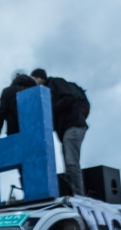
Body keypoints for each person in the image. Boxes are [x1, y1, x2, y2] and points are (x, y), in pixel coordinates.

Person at [31, 68, 89, 196]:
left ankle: (80, 197)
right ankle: (76, 195)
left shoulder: (56, 82)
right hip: (65, 130)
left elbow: (70, 97)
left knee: (72, 164)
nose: (34, 81)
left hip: (73, 126)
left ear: (42, 77)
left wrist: (51, 107)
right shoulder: (44, 93)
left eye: (35, 78)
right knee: (69, 167)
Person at [0, 71, 37, 138]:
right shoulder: (35, 91)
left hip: (14, 133)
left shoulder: (8, 91)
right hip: (34, 133)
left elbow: (1, 113)